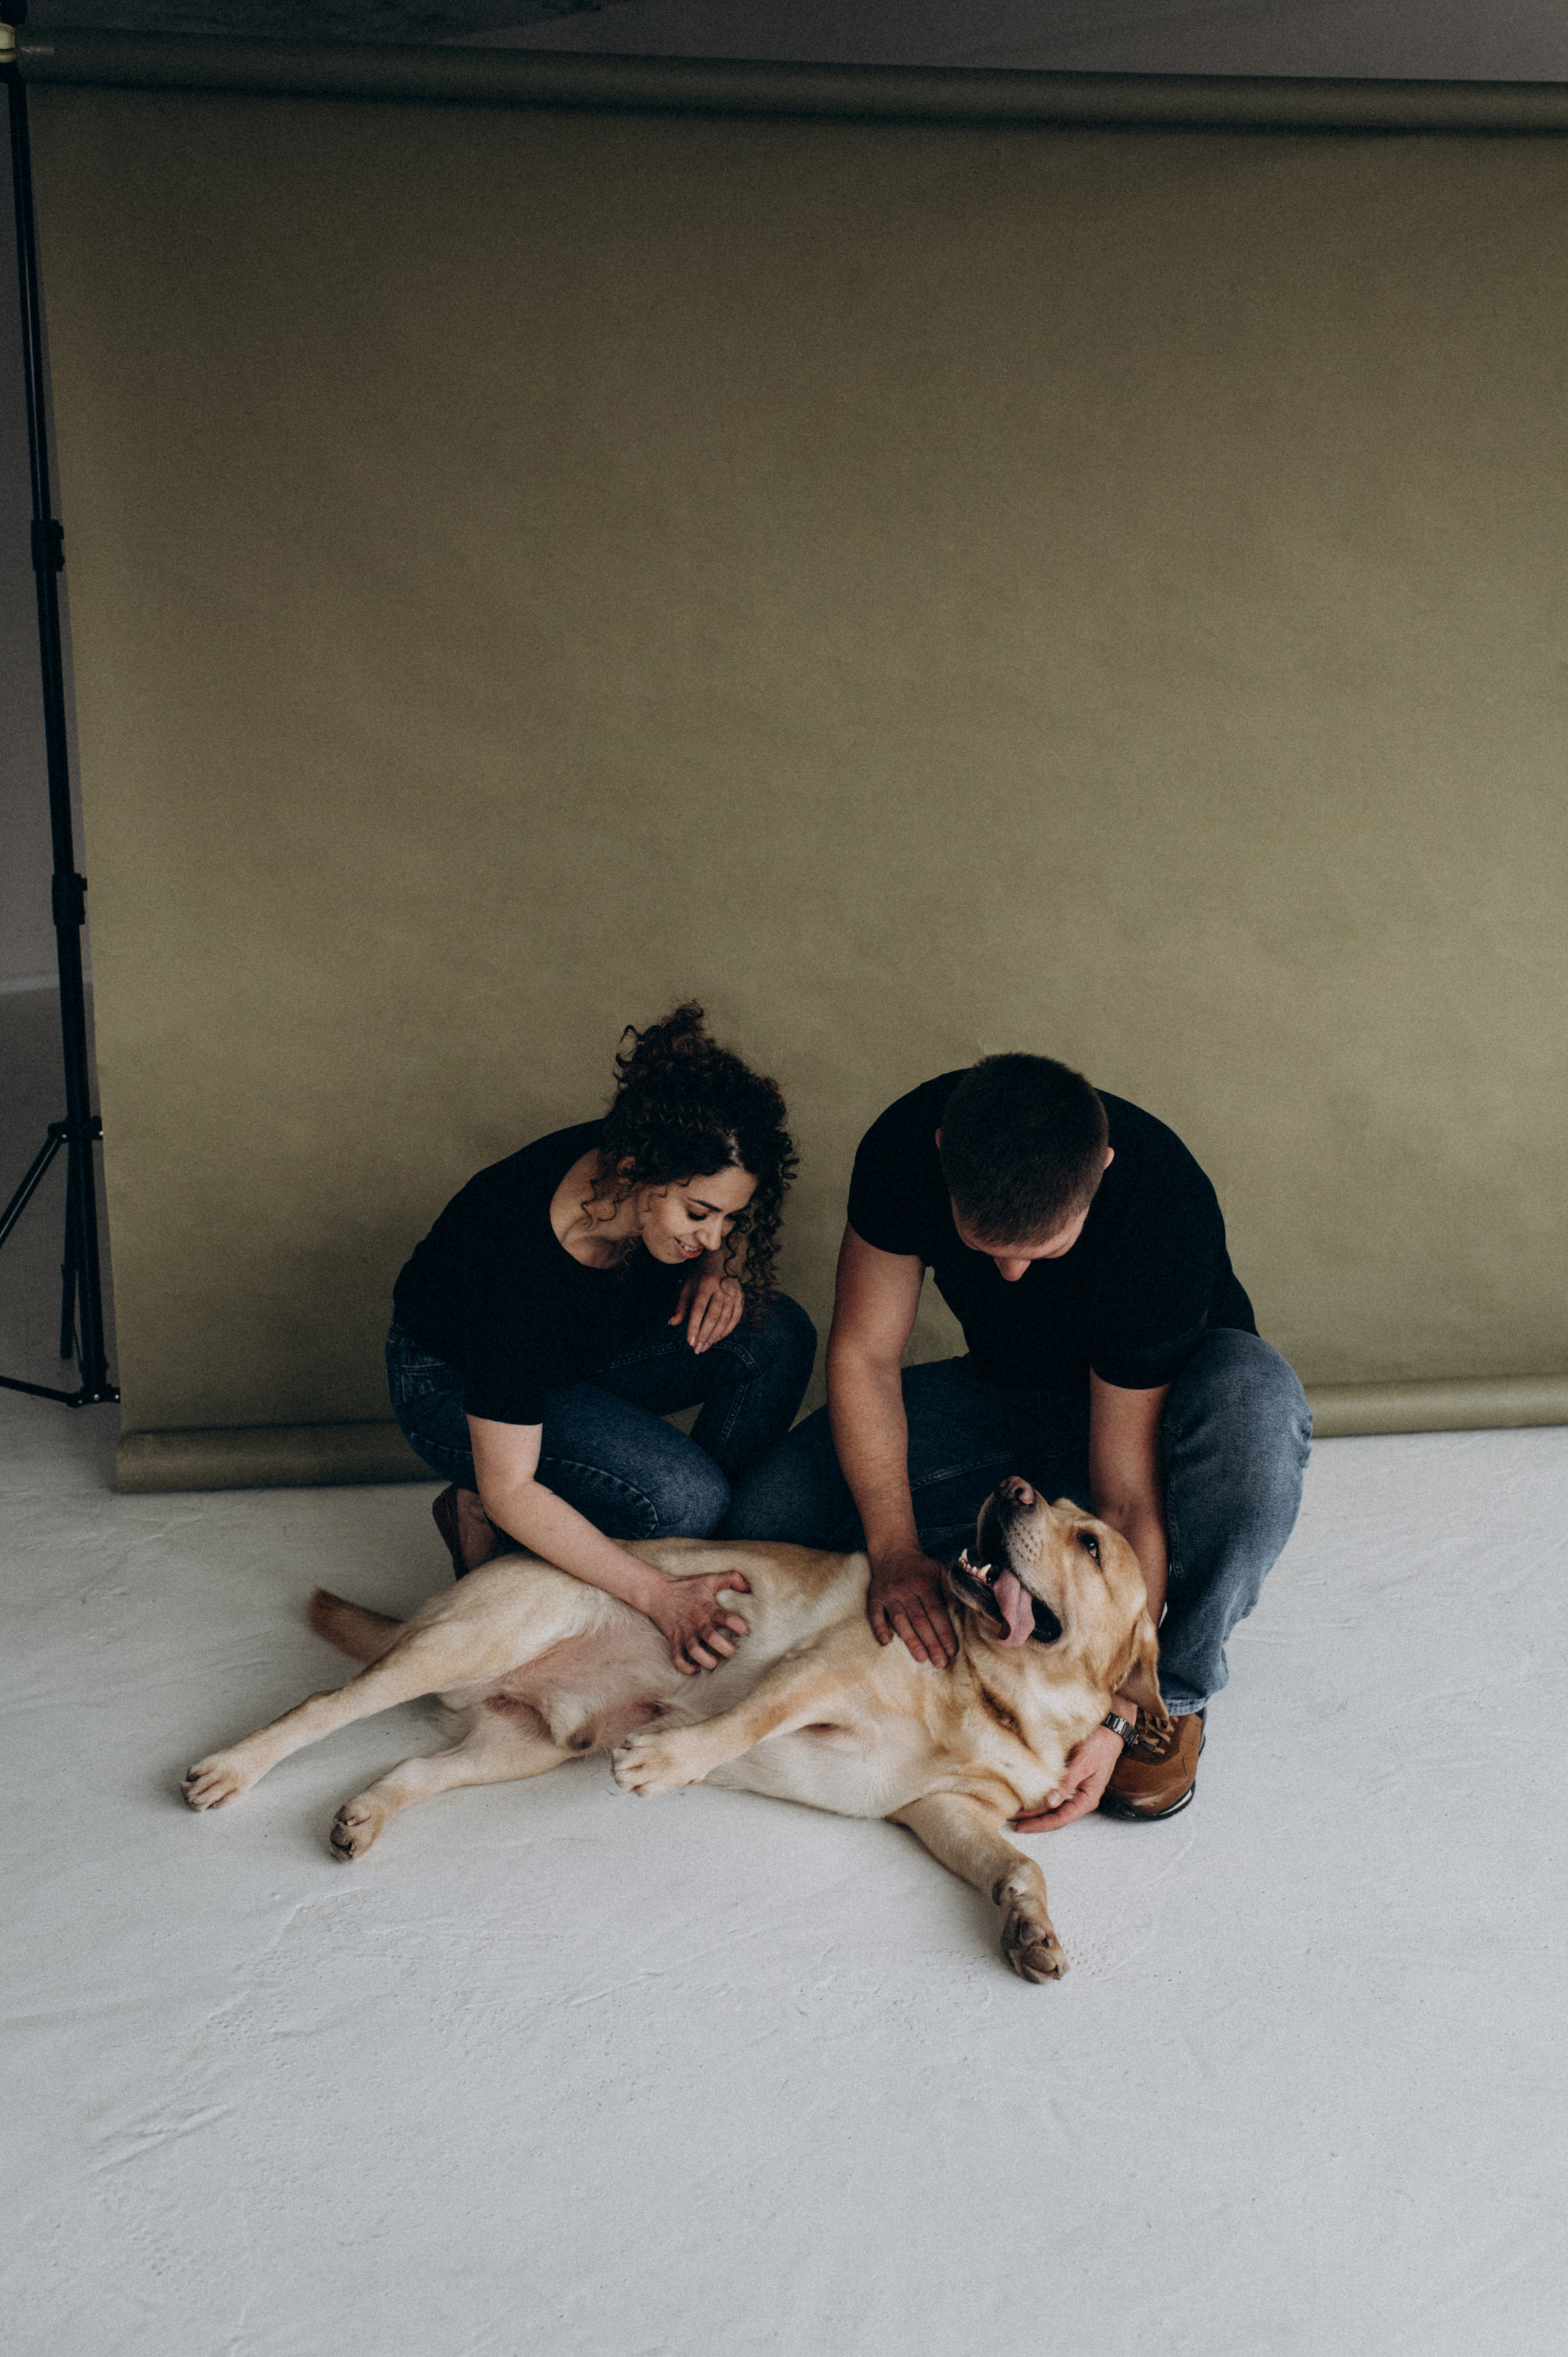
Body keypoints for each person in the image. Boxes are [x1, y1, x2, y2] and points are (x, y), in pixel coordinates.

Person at [726, 1053, 1310, 1822]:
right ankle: (998, 1582)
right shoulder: (905, 1146)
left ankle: (1170, 1694)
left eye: (1039, 1249)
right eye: (986, 1244)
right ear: (943, 1150)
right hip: (1004, 1401)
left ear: (1099, 1170)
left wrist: (1115, 1713)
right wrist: (895, 1548)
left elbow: (1126, 1500)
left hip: (1162, 1427)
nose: (1008, 1274)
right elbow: (865, 1357)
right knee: (764, 1517)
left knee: (1257, 1402)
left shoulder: (1159, 1201)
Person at [386, 1004, 815, 1677]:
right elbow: (512, 1485)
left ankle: (697, 1556)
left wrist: (716, 1274)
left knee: (774, 1332)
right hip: (455, 1387)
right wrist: (656, 1596)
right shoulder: (514, 1264)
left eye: (729, 1219)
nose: (713, 1237)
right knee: (685, 1498)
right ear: (633, 1170)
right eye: (700, 1215)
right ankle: (645, 1567)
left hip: (579, 1352)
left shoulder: (663, 1147)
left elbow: (712, 1225)